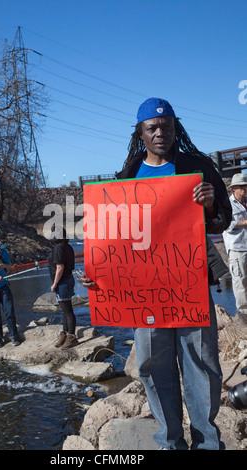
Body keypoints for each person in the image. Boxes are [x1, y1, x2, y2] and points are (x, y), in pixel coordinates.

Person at [82, 97, 232, 450]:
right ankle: (170, 441)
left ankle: (207, 442)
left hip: (190, 288)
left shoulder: (197, 167)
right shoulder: (127, 176)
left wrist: (210, 205)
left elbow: (222, 220)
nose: (160, 132)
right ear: (140, 133)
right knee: (152, 367)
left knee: (202, 366)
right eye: (152, 128)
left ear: (176, 127)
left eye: (166, 126)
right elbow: (113, 239)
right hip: (143, 296)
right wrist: (97, 273)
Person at [223, 173, 247, 327]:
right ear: (234, 189)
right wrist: (244, 222)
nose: (244, 188)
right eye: (241, 186)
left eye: (245, 185)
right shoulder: (227, 205)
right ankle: (244, 315)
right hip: (237, 249)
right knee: (240, 281)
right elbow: (225, 225)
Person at [48, 228, 78, 349]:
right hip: (69, 279)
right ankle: (65, 334)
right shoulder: (68, 247)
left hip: (63, 282)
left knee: (68, 311)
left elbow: (60, 267)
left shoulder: (58, 248)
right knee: (65, 310)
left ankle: (71, 337)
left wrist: (55, 284)